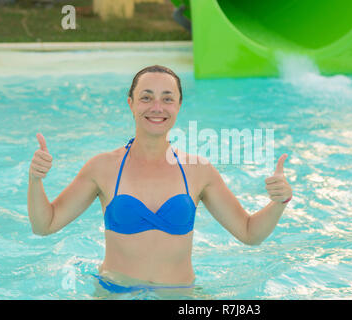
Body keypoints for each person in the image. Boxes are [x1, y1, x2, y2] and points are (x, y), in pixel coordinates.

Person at [27, 65, 293, 296]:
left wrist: (279, 202)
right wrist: (36, 180)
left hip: (180, 296)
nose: (157, 108)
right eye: (146, 97)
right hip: (115, 293)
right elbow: (45, 225)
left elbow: (249, 233)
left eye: (167, 99)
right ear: (130, 103)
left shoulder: (198, 171)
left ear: (178, 106)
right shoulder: (103, 167)